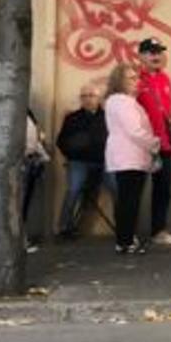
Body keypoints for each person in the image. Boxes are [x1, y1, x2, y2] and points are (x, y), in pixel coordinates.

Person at [104, 63, 160, 255]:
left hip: (126, 156)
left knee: (126, 200)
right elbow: (135, 131)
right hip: (130, 156)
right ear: (119, 81)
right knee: (130, 201)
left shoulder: (118, 101)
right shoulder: (123, 102)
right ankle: (125, 241)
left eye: (137, 78)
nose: (137, 82)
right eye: (131, 78)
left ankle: (125, 239)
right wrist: (154, 143)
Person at [136, 37, 171, 247]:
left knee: (163, 188)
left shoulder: (165, 78)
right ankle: (128, 233)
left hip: (163, 144)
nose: (156, 56)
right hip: (141, 144)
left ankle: (158, 230)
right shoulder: (135, 79)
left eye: (159, 52)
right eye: (151, 52)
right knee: (134, 189)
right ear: (141, 56)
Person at [55, 83, 109, 239]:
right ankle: (64, 227)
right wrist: (72, 153)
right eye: (84, 96)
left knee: (118, 187)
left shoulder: (108, 117)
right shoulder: (72, 118)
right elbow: (61, 141)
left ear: (99, 98)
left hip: (104, 161)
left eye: (91, 95)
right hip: (79, 161)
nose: (87, 99)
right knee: (73, 189)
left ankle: (126, 229)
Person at [22, 110, 51, 251]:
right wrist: (43, 155)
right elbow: (32, 144)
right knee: (22, 205)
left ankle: (21, 240)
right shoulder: (26, 118)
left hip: (25, 164)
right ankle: (21, 241)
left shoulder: (25, 117)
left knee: (21, 205)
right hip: (25, 164)